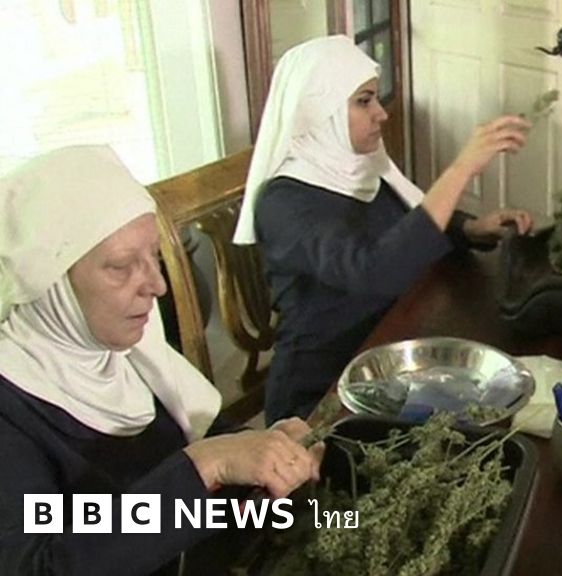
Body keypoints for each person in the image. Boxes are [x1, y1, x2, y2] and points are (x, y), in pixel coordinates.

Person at [0, 146, 323, 575]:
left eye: (153, 256)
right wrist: (205, 465)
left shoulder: (128, 349)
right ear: (53, 285)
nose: (157, 286)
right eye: (121, 266)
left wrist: (266, 460)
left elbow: (200, 460)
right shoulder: (13, 411)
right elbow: (39, 566)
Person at [233, 35, 534, 425]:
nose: (381, 113)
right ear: (318, 111)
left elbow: (402, 227)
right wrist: (461, 170)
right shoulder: (284, 203)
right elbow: (375, 270)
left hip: (386, 356)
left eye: (375, 98)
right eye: (364, 101)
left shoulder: (358, 168)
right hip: (320, 392)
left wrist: (470, 228)